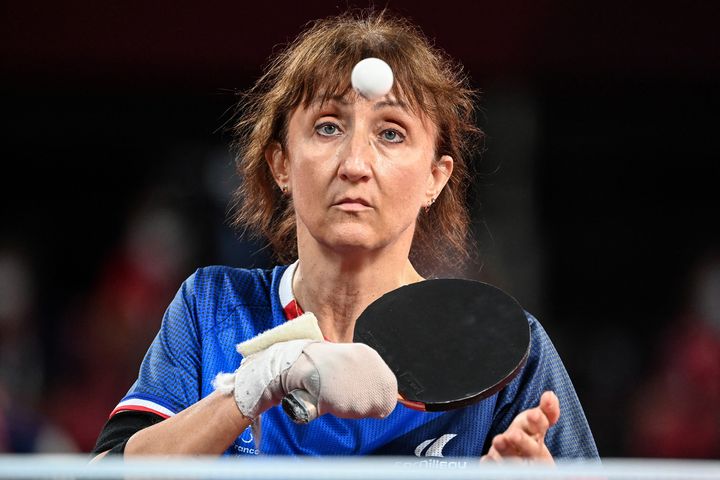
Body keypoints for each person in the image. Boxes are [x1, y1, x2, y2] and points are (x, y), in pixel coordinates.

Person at [92, 10, 598, 461]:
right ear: (282, 163)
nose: (355, 164)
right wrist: (260, 382)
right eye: (329, 127)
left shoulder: (502, 348)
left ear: (434, 178)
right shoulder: (215, 309)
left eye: (391, 132)